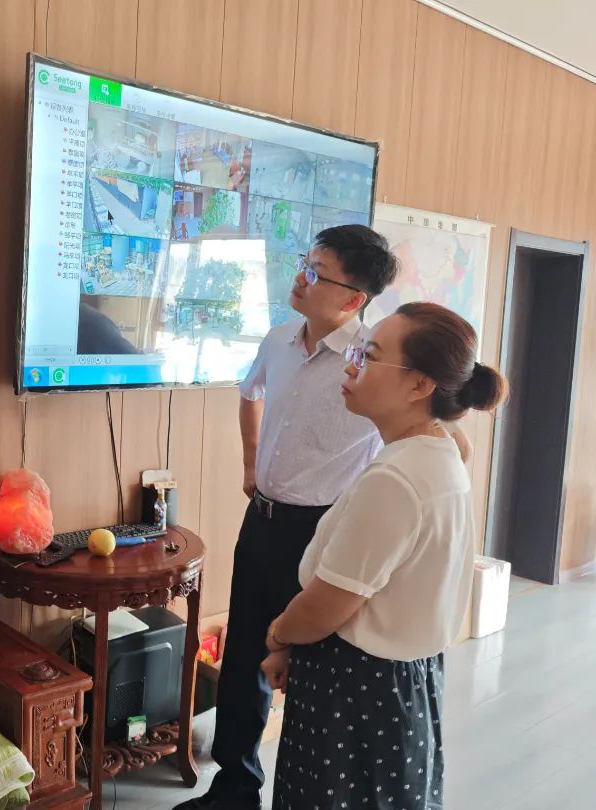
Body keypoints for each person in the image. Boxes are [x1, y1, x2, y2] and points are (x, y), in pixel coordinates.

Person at [174, 225, 403, 810]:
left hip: (327, 533)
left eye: (317, 273)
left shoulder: (372, 361)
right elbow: (249, 393)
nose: (300, 278)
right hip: (263, 520)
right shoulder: (279, 340)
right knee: (244, 655)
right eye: (305, 263)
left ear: (354, 298)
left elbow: (411, 439)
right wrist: (251, 462)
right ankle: (234, 789)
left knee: (312, 669)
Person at [261, 303, 507, 809]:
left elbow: (328, 605)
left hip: (356, 686)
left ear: (420, 385)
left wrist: (280, 634)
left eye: (369, 356)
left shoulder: (396, 479)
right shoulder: (439, 450)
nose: (351, 366)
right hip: (402, 679)